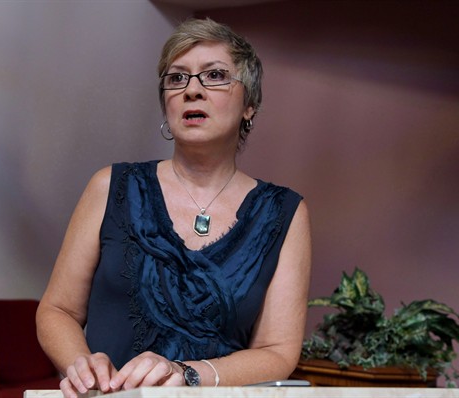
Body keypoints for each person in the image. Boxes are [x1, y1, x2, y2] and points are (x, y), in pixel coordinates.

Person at [36, 18, 312, 398]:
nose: (192, 90)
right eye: (177, 78)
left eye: (214, 76)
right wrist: (80, 364)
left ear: (249, 105)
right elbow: (58, 311)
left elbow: (277, 351)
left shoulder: (285, 212)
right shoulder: (110, 186)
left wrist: (188, 374)